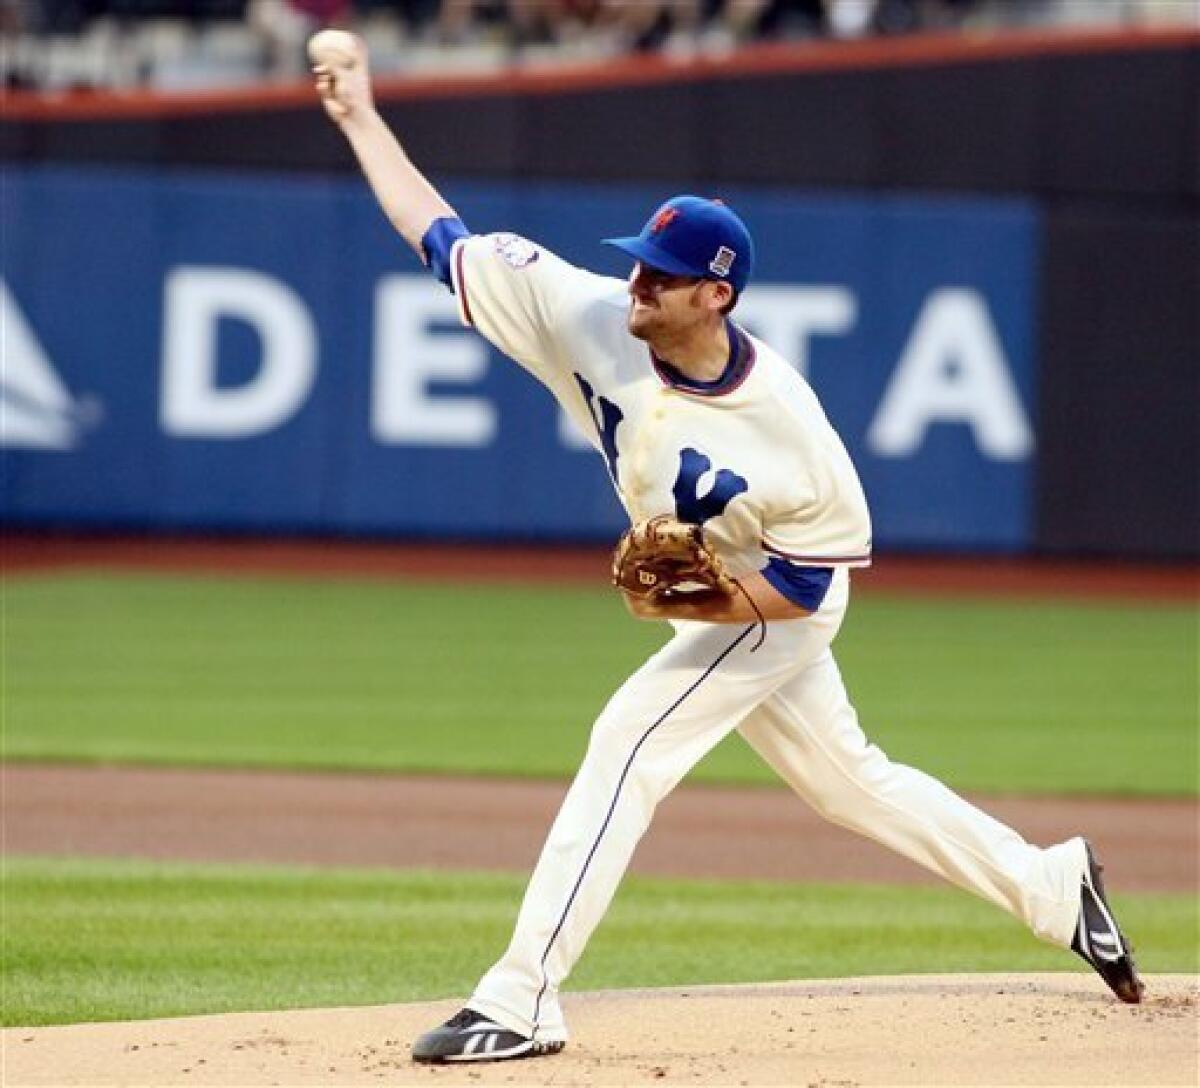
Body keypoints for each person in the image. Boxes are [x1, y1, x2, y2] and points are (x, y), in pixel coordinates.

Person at [311, 36, 1144, 1066]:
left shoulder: (791, 430)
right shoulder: (583, 313)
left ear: (717, 293)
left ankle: (522, 995)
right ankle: (1054, 885)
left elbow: (804, 582)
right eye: (638, 266)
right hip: (734, 592)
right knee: (850, 782)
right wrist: (359, 116)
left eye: (661, 278)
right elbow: (439, 235)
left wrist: (701, 600)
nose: (636, 288)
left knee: (628, 741)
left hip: (784, 597)